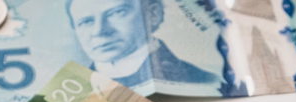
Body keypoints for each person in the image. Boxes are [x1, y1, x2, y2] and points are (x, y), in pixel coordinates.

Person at [65, 0, 219, 88]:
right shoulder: (69, 91)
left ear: (153, 14)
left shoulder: (203, 81)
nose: (98, 31)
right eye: (86, 22)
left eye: (116, 13)